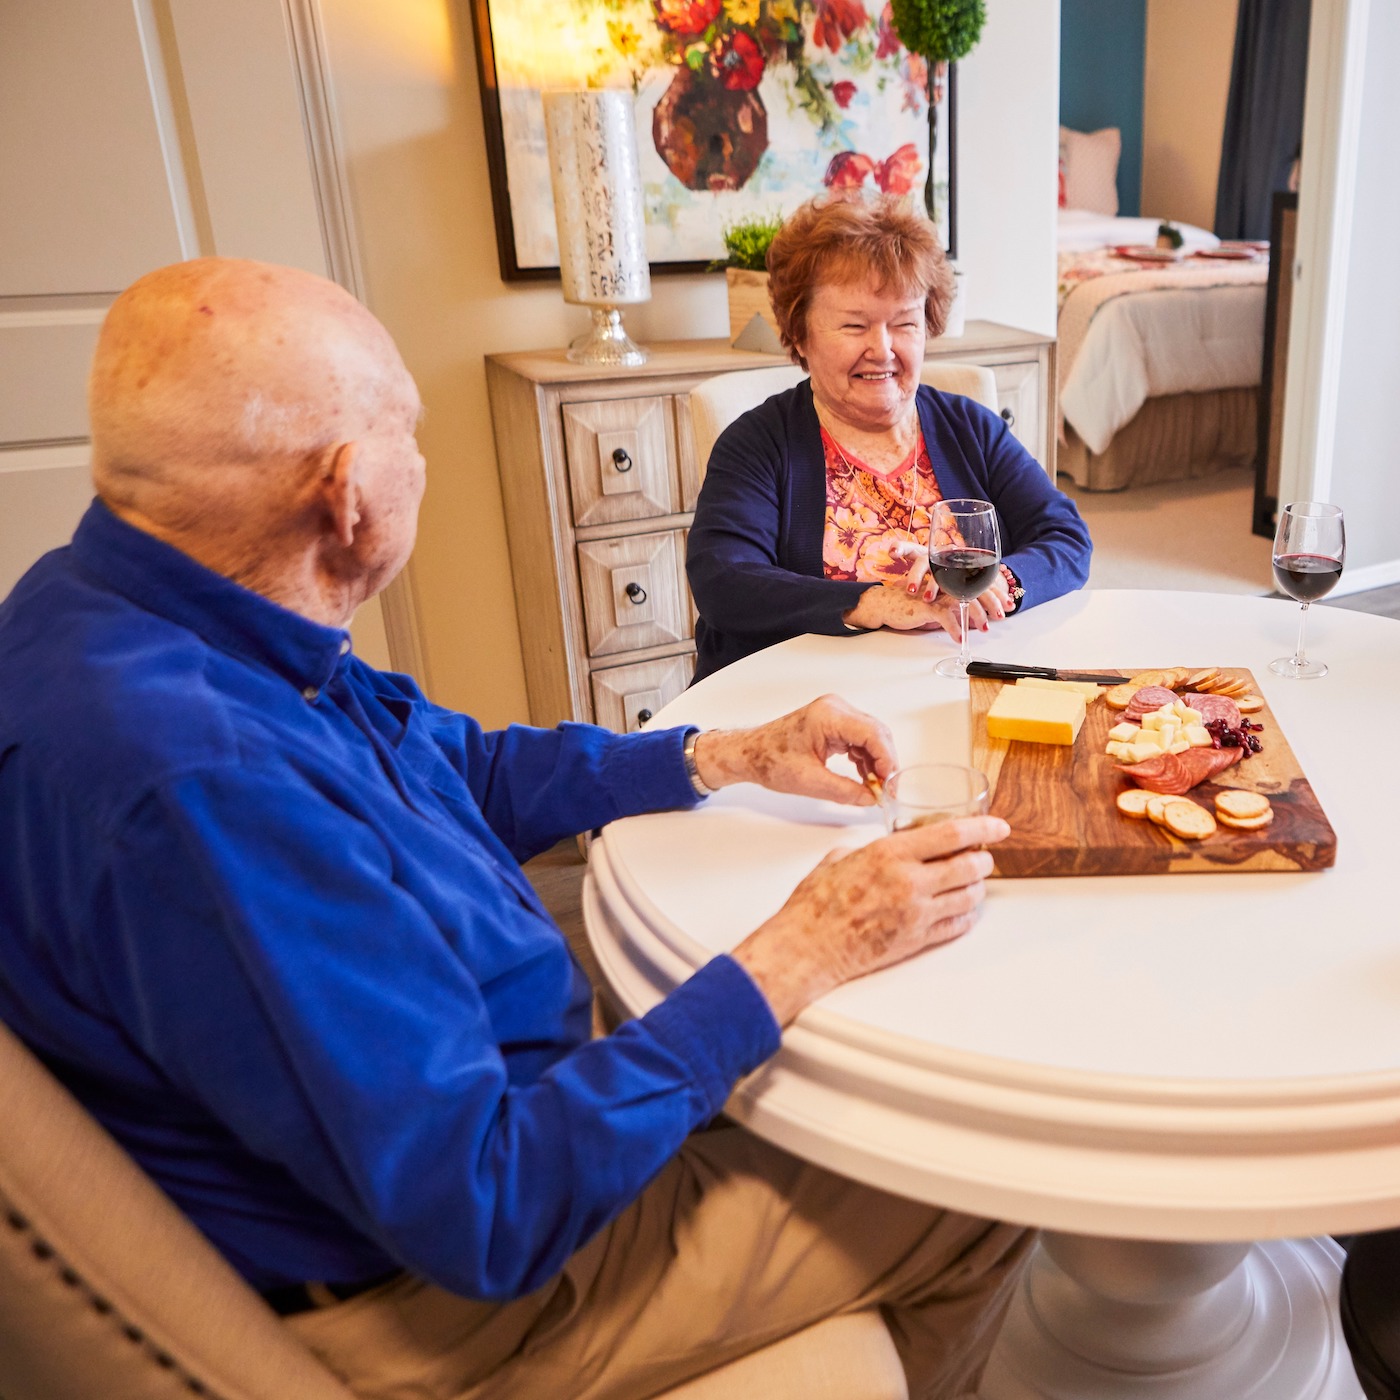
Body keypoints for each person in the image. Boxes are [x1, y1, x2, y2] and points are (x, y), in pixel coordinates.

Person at [0, 257, 1031, 1400]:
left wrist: (720, 755)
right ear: (348, 495)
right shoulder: (205, 786)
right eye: (409, 432)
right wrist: (803, 946)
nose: (423, 459)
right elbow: (485, 1204)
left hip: (458, 1103)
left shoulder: (137, 600)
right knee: (972, 1181)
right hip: (459, 1293)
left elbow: (454, 763)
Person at [688, 195, 1093, 681]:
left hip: (952, 681)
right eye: (854, 325)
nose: (882, 350)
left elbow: (1066, 537)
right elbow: (724, 580)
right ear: (800, 335)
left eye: (904, 323)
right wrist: (874, 601)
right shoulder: (756, 444)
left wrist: (999, 582)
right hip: (804, 697)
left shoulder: (970, 428)